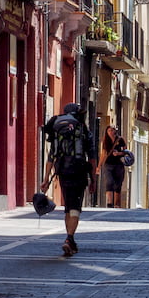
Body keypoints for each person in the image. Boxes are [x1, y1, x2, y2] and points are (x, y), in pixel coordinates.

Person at [40, 103, 96, 257]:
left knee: (68, 206)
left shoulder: (59, 132)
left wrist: (45, 180)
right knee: (75, 207)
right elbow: (92, 158)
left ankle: (69, 239)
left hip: (62, 171)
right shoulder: (84, 131)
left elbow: (51, 156)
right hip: (79, 171)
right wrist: (93, 179)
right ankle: (69, 238)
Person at [98, 125, 127, 208]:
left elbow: (126, 152)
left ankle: (117, 204)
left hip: (119, 164)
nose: (110, 132)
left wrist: (118, 153)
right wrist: (99, 166)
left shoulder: (120, 140)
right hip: (108, 164)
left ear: (115, 131)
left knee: (118, 184)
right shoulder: (105, 141)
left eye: (112, 130)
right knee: (109, 182)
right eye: (109, 131)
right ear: (107, 132)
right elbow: (103, 154)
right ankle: (110, 203)